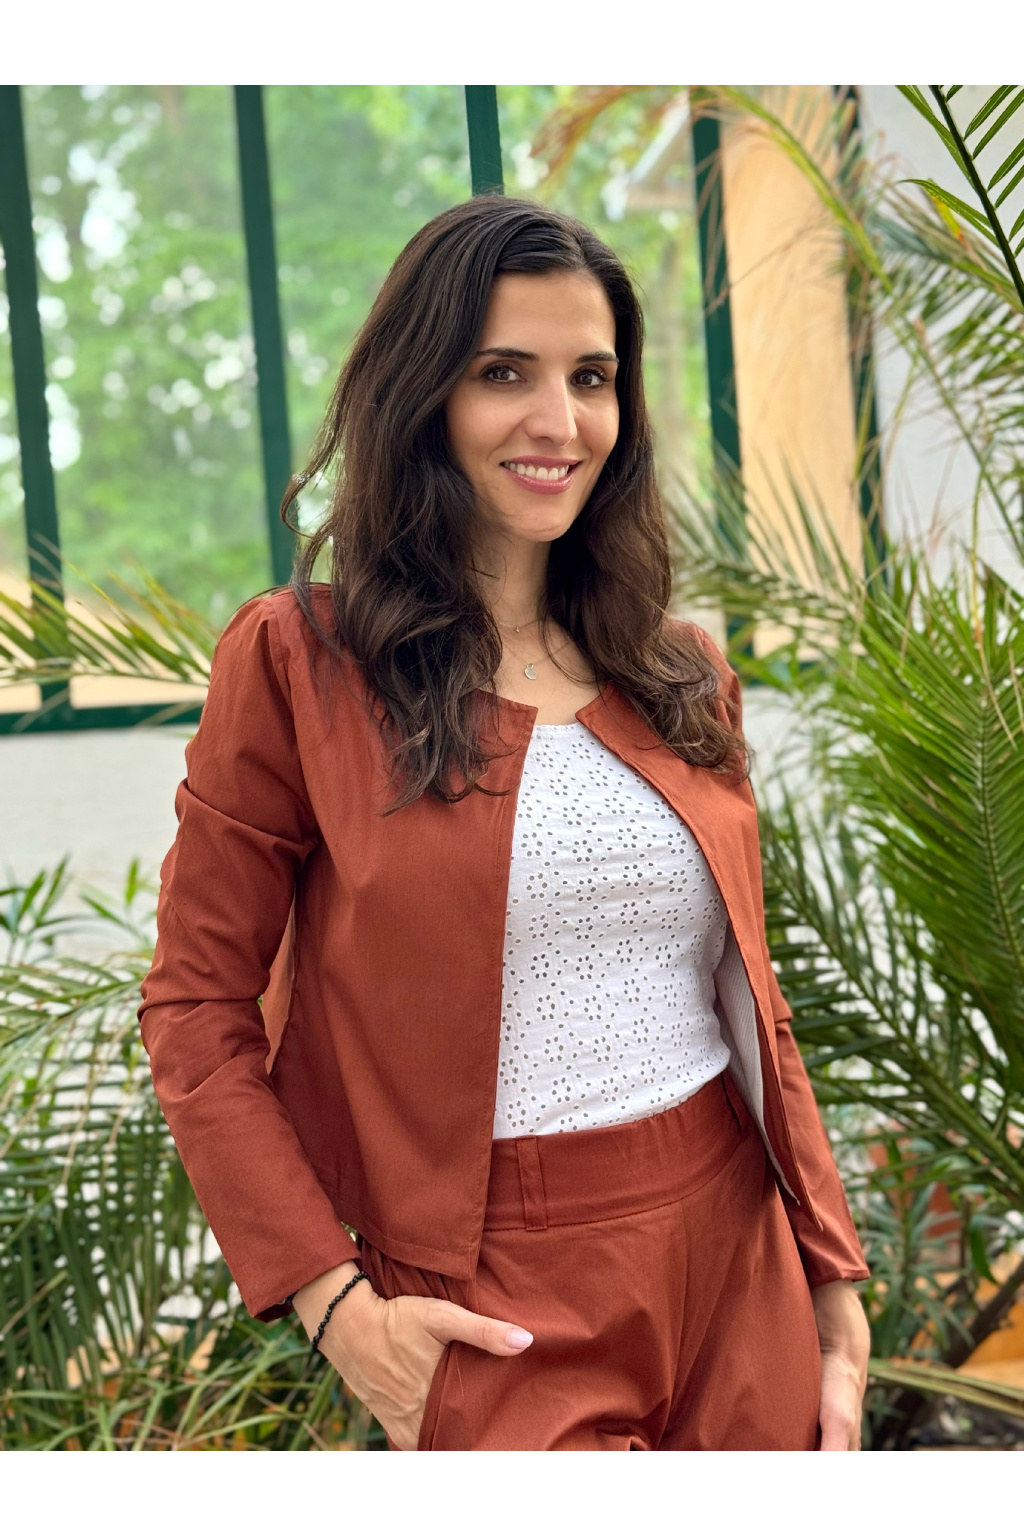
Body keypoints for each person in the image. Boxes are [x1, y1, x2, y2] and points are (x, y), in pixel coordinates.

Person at [139, 196, 870, 1452]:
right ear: (421, 392)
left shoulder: (681, 673)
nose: (559, 422)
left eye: (591, 377)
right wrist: (335, 1306)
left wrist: (830, 1271)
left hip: (736, 1240)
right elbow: (195, 1008)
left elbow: (749, 994)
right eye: (502, 374)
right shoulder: (301, 664)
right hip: (493, 1291)